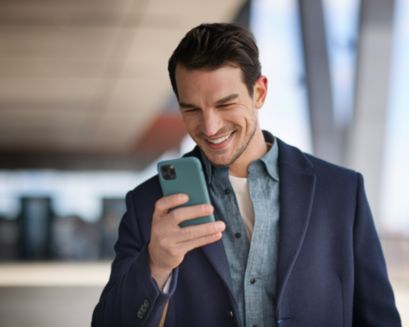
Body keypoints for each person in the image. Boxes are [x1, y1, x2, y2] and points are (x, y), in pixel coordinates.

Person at [92, 23, 401, 327]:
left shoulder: (341, 193)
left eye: (225, 104)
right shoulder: (148, 203)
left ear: (259, 92)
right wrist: (156, 264)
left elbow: (379, 318)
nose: (210, 127)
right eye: (192, 110)